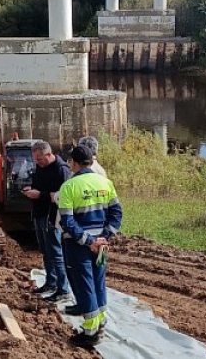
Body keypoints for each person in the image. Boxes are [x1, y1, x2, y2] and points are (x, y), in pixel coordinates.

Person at [58, 145, 123, 347]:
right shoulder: (105, 183)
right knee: (98, 282)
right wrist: (105, 237)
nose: (69, 165)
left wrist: (88, 241)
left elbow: (67, 222)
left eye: (70, 161)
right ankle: (100, 320)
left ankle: (90, 331)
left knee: (83, 284)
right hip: (101, 244)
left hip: (79, 245)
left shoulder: (69, 187)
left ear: (75, 163)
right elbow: (116, 214)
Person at [22, 141, 72, 302]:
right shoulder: (40, 167)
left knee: (56, 252)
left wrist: (40, 195)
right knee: (45, 250)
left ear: (49, 154)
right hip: (39, 213)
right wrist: (31, 190)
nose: (38, 162)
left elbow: (61, 196)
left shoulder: (61, 169)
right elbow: (40, 185)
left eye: (40, 159)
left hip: (52, 216)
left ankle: (63, 289)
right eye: (35, 159)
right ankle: (51, 282)